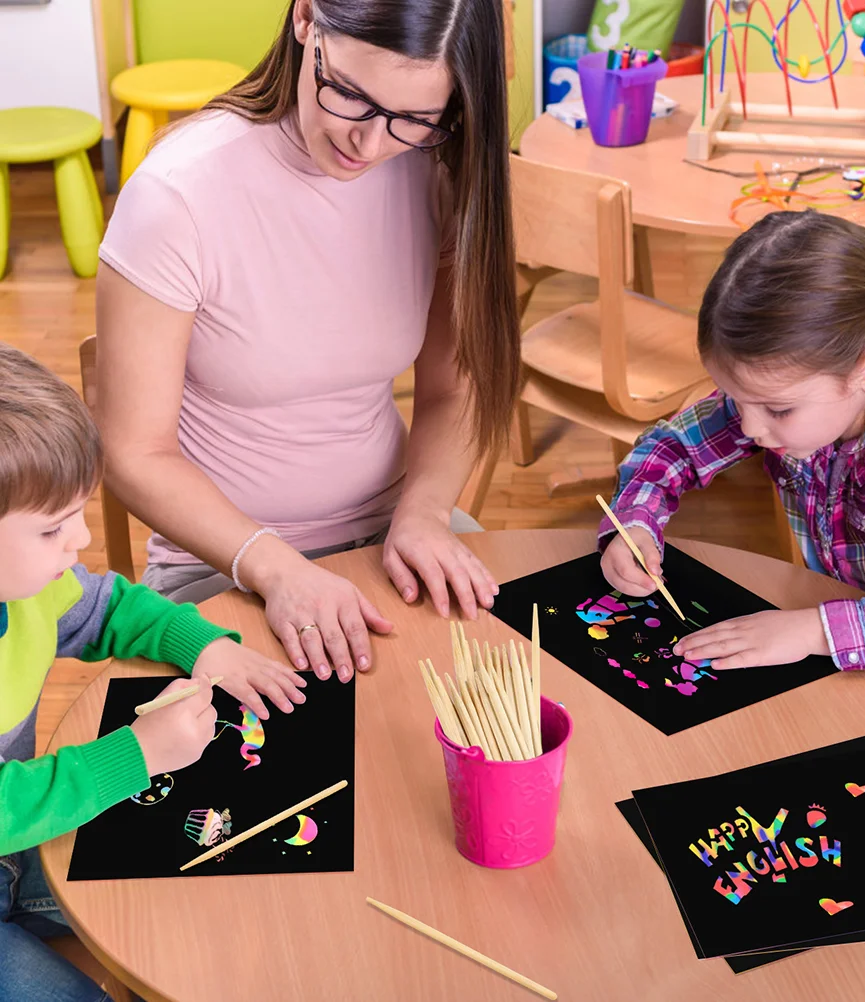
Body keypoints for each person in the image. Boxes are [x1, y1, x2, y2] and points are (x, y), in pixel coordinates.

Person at [95, 0, 519, 685]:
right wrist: (275, 566)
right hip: (223, 561)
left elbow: (453, 390)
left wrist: (425, 512)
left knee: (513, 703)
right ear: (304, 22)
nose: (370, 144)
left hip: (393, 526)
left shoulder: (432, 171)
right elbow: (132, 452)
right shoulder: (180, 193)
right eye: (350, 95)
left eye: (413, 119)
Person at [0, 344, 305, 1000]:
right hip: (11, 833)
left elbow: (110, 606)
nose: (80, 540)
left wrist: (202, 645)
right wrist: (133, 756)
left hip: (16, 854)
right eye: (54, 529)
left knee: (211, 898)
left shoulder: (28, 589)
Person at [600, 211, 865, 678]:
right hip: (862, 638)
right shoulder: (802, 381)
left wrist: (814, 631)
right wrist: (635, 521)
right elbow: (673, 448)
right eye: (736, 399)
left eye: (776, 410)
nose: (749, 428)